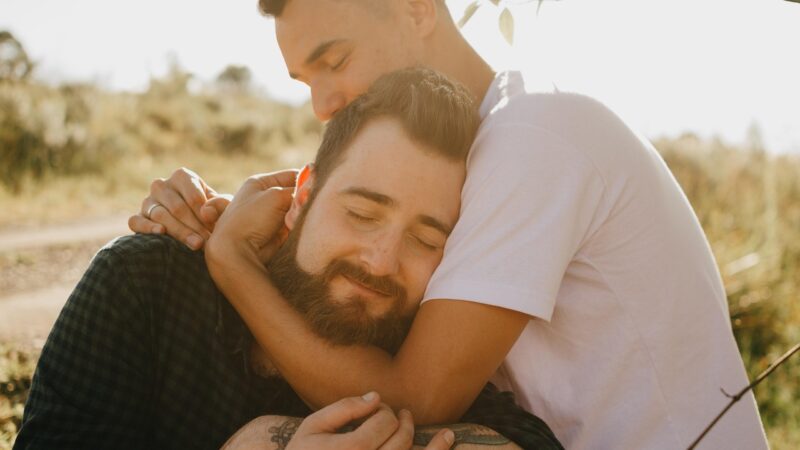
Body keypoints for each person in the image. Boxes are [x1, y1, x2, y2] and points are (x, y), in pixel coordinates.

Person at [130, 0, 770, 448]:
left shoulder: (534, 138)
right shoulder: (483, 150)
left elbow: (417, 397)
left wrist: (233, 265)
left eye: (336, 60)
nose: (322, 105)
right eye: (305, 80)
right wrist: (207, 213)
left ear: (416, 8)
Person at [16, 69, 562, 450]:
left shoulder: (418, 355)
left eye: (425, 239)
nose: (381, 261)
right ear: (303, 196)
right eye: (362, 214)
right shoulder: (145, 285)